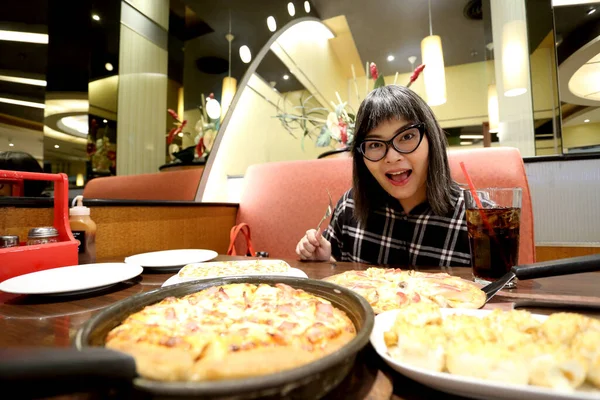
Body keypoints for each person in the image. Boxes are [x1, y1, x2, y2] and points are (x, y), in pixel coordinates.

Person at [295, 85, 471, 267]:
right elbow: (340, 282)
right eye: (374, 145)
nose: (392, 157)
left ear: (431, 138)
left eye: (407, 136)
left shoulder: (476, 217)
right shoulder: (350, 206)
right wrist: (323, 262)